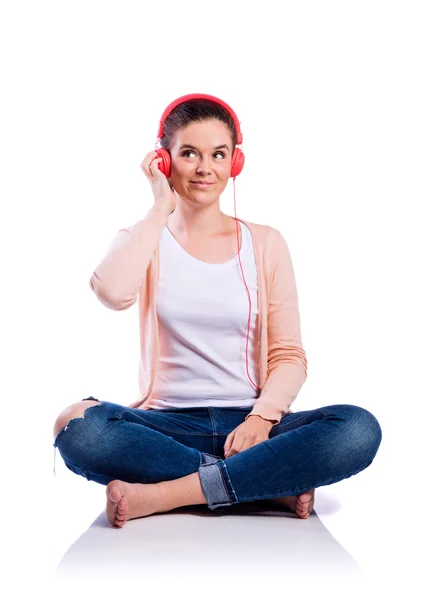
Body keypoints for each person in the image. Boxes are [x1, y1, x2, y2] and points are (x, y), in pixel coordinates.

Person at [52, 93, 382, 528]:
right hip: (165, 426)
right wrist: (158, 209)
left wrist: (262, 419)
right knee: (75, 424)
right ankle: (267, 485)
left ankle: (167, 495)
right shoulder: (143, 238)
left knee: (358, 428)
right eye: (189, 154)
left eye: (218, 155)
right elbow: (112, 293)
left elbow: (289, 355)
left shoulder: (266, 243)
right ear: (164, 162)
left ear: (234, 163)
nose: (205, 168)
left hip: (252, 425)